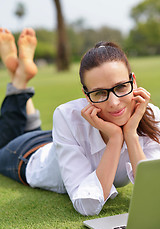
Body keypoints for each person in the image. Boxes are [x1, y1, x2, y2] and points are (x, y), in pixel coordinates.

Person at [0, 28, 160, 216]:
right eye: (100, 92)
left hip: (61, 143)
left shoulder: (149, 114)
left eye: (121, 86)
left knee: (31, 129)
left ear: (132, 81)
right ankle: (19, 80)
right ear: (86, 95)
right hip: (30, 154)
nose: (114, 102)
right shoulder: (67, 116)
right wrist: (116, 137)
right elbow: (87, 206)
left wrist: (130, 134)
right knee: (6, 140)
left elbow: (153, 192)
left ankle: (19, 77)